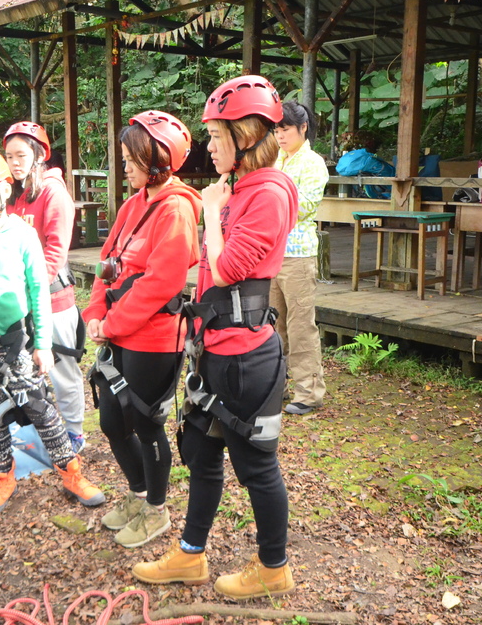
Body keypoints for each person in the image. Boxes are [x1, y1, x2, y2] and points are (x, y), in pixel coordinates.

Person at [131, 76, 298, 600]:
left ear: (245, 138)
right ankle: (190, 554)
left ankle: (273, 567)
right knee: (201, 454)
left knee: (257, 466)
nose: (209, 146)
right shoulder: (238, 188)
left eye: (216, 136)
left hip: (245, 357)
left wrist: (209, 213)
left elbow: (227, 270)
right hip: (214, 351)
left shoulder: (268, 192)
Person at [0, 150, 105, 515]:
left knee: (40, 407)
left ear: (4, 190)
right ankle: (2, 477)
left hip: (16, 342)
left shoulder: (24, 236)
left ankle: (72, 472)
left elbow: (38, 293)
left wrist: (42, 344)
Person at [83, 110, 201, 548]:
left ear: (157, 160)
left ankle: (156, 508)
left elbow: (161, 283)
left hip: (153, 338)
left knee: (145, 422)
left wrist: (110, 323)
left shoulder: (175, 209)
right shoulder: (134, 204)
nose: (126, 167)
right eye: (125, 159)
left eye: (132, 159)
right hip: (119, 331)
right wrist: (95, 313)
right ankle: (137, 494)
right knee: (112, 420)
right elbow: (106, 262)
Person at [3, 122, 87, 452]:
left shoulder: (53, 193)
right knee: (28, 370)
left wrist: (32, 293)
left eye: (21, 155)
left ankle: (75, 433)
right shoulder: (14, 195)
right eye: (9, 156)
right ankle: (44, 431)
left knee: (63, 369)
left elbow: (55, 250)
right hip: (20, 301)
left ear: (39, 155)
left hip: (54, 299)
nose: (15, 162)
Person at [271, 101, 329, 415]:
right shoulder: (274, 159)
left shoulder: (313, 163)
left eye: (286, 129)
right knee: (272, 326)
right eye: (276, 130)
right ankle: (273, 387)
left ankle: (308, 392)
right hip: (271, 252)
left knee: (300, 326)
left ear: (303, 128)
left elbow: (304, 207)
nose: (280, 136)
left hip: (298, 254)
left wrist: (272, 198)